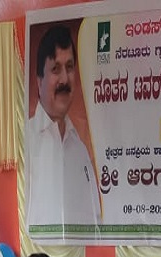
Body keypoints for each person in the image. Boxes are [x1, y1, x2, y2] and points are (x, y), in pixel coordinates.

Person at [26, 24, 101, 228]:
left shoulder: (80, 149)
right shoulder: (26, 142)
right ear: (39, 81)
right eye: (55, 69)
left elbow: (94, 220)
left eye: (69, 67)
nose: (65, 79)